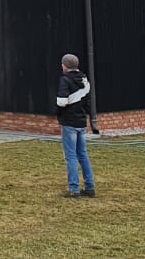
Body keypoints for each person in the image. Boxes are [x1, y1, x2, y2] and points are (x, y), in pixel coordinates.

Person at [57, 53, 95, 197]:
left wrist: (57, 113)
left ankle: (73, 189)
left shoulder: (65, 80)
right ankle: (89, 187)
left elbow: (61, 102)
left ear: (64, 66)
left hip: (69, 122)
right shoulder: (84, 79)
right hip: (81, 121)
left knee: (71, 156)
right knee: (83, 155)